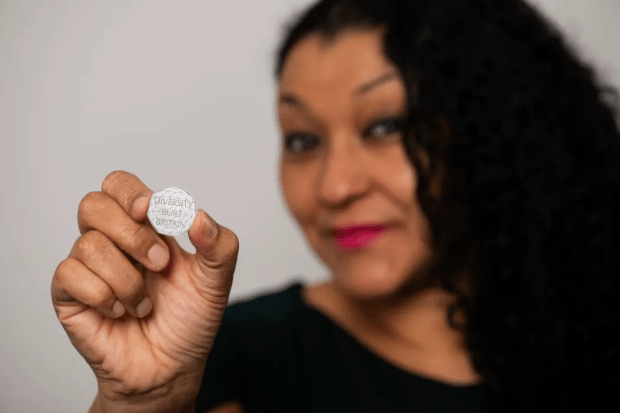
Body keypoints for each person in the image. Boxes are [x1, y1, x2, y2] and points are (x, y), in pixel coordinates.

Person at [50, 0, 620, 412]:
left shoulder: (595, 331)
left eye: (385, 125)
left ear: (492, 134)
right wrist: (143, 403)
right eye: (302, 140)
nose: (333, 187)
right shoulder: (231, 358)